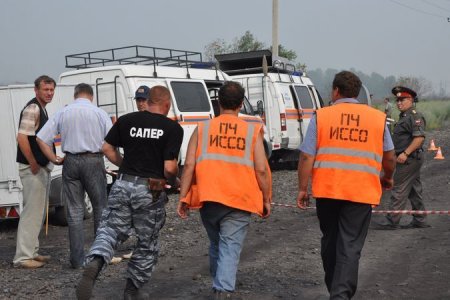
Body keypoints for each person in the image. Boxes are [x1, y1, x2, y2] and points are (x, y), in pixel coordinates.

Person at [75, 85, 183, 300]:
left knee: (111, 230)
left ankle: (95, 262)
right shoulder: (172, 128)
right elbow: (169, 168)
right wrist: (176, 182)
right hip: (151, 189)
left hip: (123, 183)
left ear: (148, 101)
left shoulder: (126, 120)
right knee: (146, 240)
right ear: (167, 105)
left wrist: (125, 166)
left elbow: (106, 148)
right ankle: (132, 291)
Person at [296, 71, 396, 299]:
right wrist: (388, 177)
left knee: (330, 241)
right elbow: (389, 157)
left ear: (335, 91)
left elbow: (306, 157)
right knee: (350, 245)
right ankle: (340, 293)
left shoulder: (322, 116)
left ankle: (336, 289)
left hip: (328, 190)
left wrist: (303, 188)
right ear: (357, 93)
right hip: (361, 193)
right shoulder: (376, 118)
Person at [177, 81, 271, 298]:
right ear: (240, 104)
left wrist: (183, 197)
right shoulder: (252, 131)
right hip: (239, 200)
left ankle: (218, 281)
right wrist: (265, 198)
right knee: (230, 247)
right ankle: (223, 290)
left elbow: (189, 165)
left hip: (209, 199)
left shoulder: (202, 128)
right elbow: (261, 170)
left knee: (217, 243)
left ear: (218, 102)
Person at [37, 83, 112, 269]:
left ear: (75, 95)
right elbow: (111, 143)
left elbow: (40, 138)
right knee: (100, 208)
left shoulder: (64, 112)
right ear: (91, 96)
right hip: (94, 160)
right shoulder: (99, 113)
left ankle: (77, 260)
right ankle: (99, 257)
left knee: (75, 212)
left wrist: (54, 159)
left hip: (70, 162)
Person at [13, 75, 58, 269]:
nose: (49, 93)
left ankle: (32, 251)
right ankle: (23, 257)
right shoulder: (33, 109)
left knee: (38, 212)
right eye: (45, 90)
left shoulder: (41, 109)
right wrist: (32, 162)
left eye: (51, 90)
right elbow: (22, 138)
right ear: (36, 90)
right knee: (32, 212)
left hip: (39, 167)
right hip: (32, 168)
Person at [376, 86, 430, 230]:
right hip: (409, 158)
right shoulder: (404, 116)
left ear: (411, 100)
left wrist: (405, 153)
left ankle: (392, 220)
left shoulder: (414, 116)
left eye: (403, 100)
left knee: (399, 188)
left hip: (409, 159)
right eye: (398, 100)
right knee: (414, 189)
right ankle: (420, 219)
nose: (399, 103)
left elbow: (419, 138)